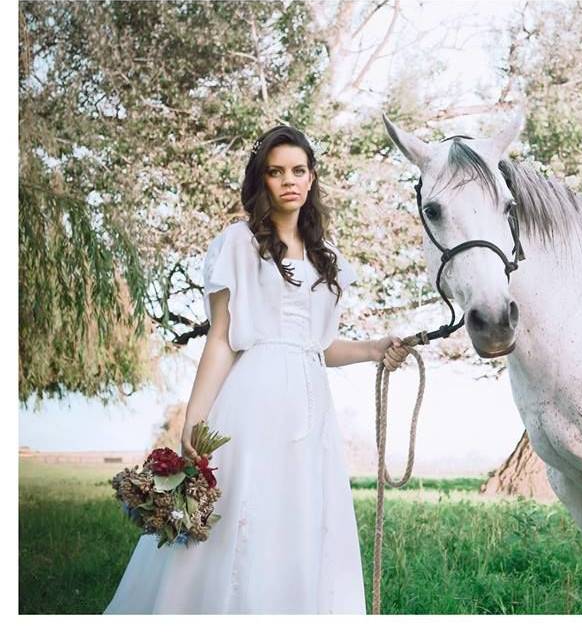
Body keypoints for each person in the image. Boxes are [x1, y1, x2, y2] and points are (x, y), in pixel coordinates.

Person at [103, 125, 411, 614]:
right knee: (244, 511)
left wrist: (375, 349)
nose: (289, 180)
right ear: (261, 180)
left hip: (311, 409)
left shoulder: (328, 260)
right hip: (255, 399)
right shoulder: (240, 245)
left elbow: (320, 346)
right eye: (276, 172)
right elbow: (222, 339)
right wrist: (194, 419)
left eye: (298, 170)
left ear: (311, 179)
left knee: (304, 515)